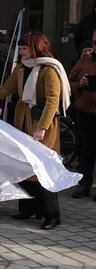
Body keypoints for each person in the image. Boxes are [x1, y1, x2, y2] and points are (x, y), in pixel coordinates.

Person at [0, 32, 71, 230]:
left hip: (43, 123)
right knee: (23, 162)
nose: (21, 51)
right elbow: (5, 90)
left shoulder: (49, 68)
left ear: (36, 48)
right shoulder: (22, 67)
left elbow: (52, 100)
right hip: (23, 120)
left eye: (25, 48)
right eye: (21, 48)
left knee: (43, 166)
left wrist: (42, 127)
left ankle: (52, 214)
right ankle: (29, 208)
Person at [68, 30, 96, 200]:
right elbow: (67, 83)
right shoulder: (84, 61)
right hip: (86, 112)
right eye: (94, 42)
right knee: (86, 151)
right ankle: (84, 183)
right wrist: (79, 84)